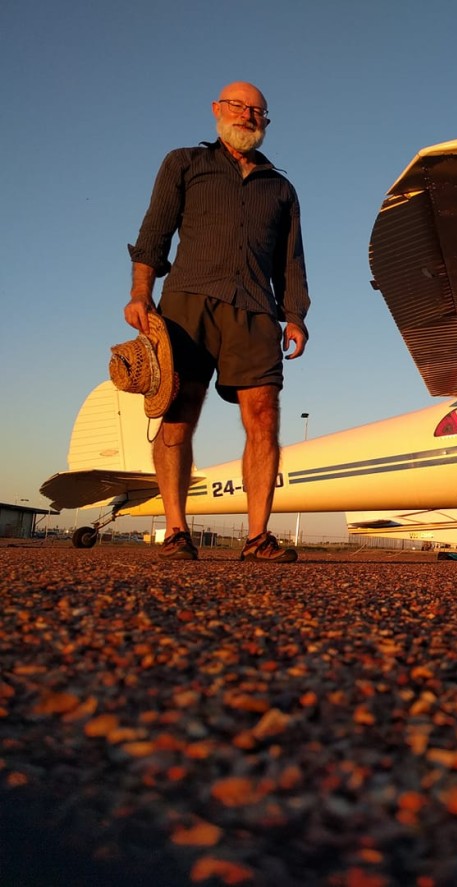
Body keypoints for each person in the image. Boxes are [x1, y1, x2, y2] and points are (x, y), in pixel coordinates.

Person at [124, 81, 310, 562]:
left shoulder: (281, 188)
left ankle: (257, 537)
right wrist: (140, 294)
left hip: (255, 311)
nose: (248, 116)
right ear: (217, 109)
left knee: (264, 418)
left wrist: (295, 317)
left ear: (266, 121)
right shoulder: (185, 162)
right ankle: (176, 531)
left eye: (258, 111)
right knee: (178, 414)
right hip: (188, 303)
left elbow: (290, 262)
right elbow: (154, 232)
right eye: (239, 106)